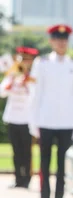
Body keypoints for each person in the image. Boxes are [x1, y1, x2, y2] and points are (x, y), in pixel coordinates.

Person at [30, 24, 73, 198]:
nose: (61, 43)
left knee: (62, 167)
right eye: (58, 40)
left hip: (66, 123)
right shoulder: (42, 63)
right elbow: (35, 94)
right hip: (45, 120)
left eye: (64, 40)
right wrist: (33, 122)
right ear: (51, 41)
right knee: (44, 165)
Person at [1, 46, 40, 189]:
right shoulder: (12, 75)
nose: (24, 62)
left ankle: (26, 179)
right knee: (16, 150)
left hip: (27, 119)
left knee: (26, 151)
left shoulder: (33, 77)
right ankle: (18, 178)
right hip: (13, 117)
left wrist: (26, 83)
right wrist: (12, 82)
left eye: (26, 59)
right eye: (22, 59)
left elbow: (35, 96)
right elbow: (2, 92)